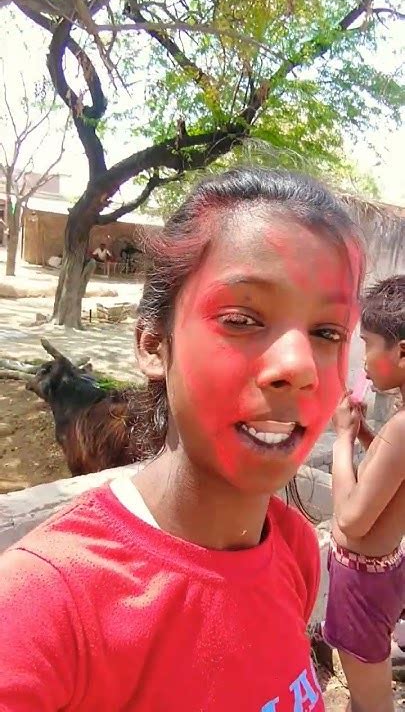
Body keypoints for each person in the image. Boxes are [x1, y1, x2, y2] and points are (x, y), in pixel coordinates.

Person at [0, 167, 364, 712]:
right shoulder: (44, 609)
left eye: (328, 332)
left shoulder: (293, 549)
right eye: (241, 319)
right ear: (153, 345)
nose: (300, 366)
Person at [324, 275, 405, 712]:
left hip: (362, 582)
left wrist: (341, 439)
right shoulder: (399, 427)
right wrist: (366, 436)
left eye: (368, 344)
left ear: (402, 352)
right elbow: (393, 474)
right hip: (386, 572)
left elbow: (352, 519)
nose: (364, 359)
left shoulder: (403, 427)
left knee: (371, 701)